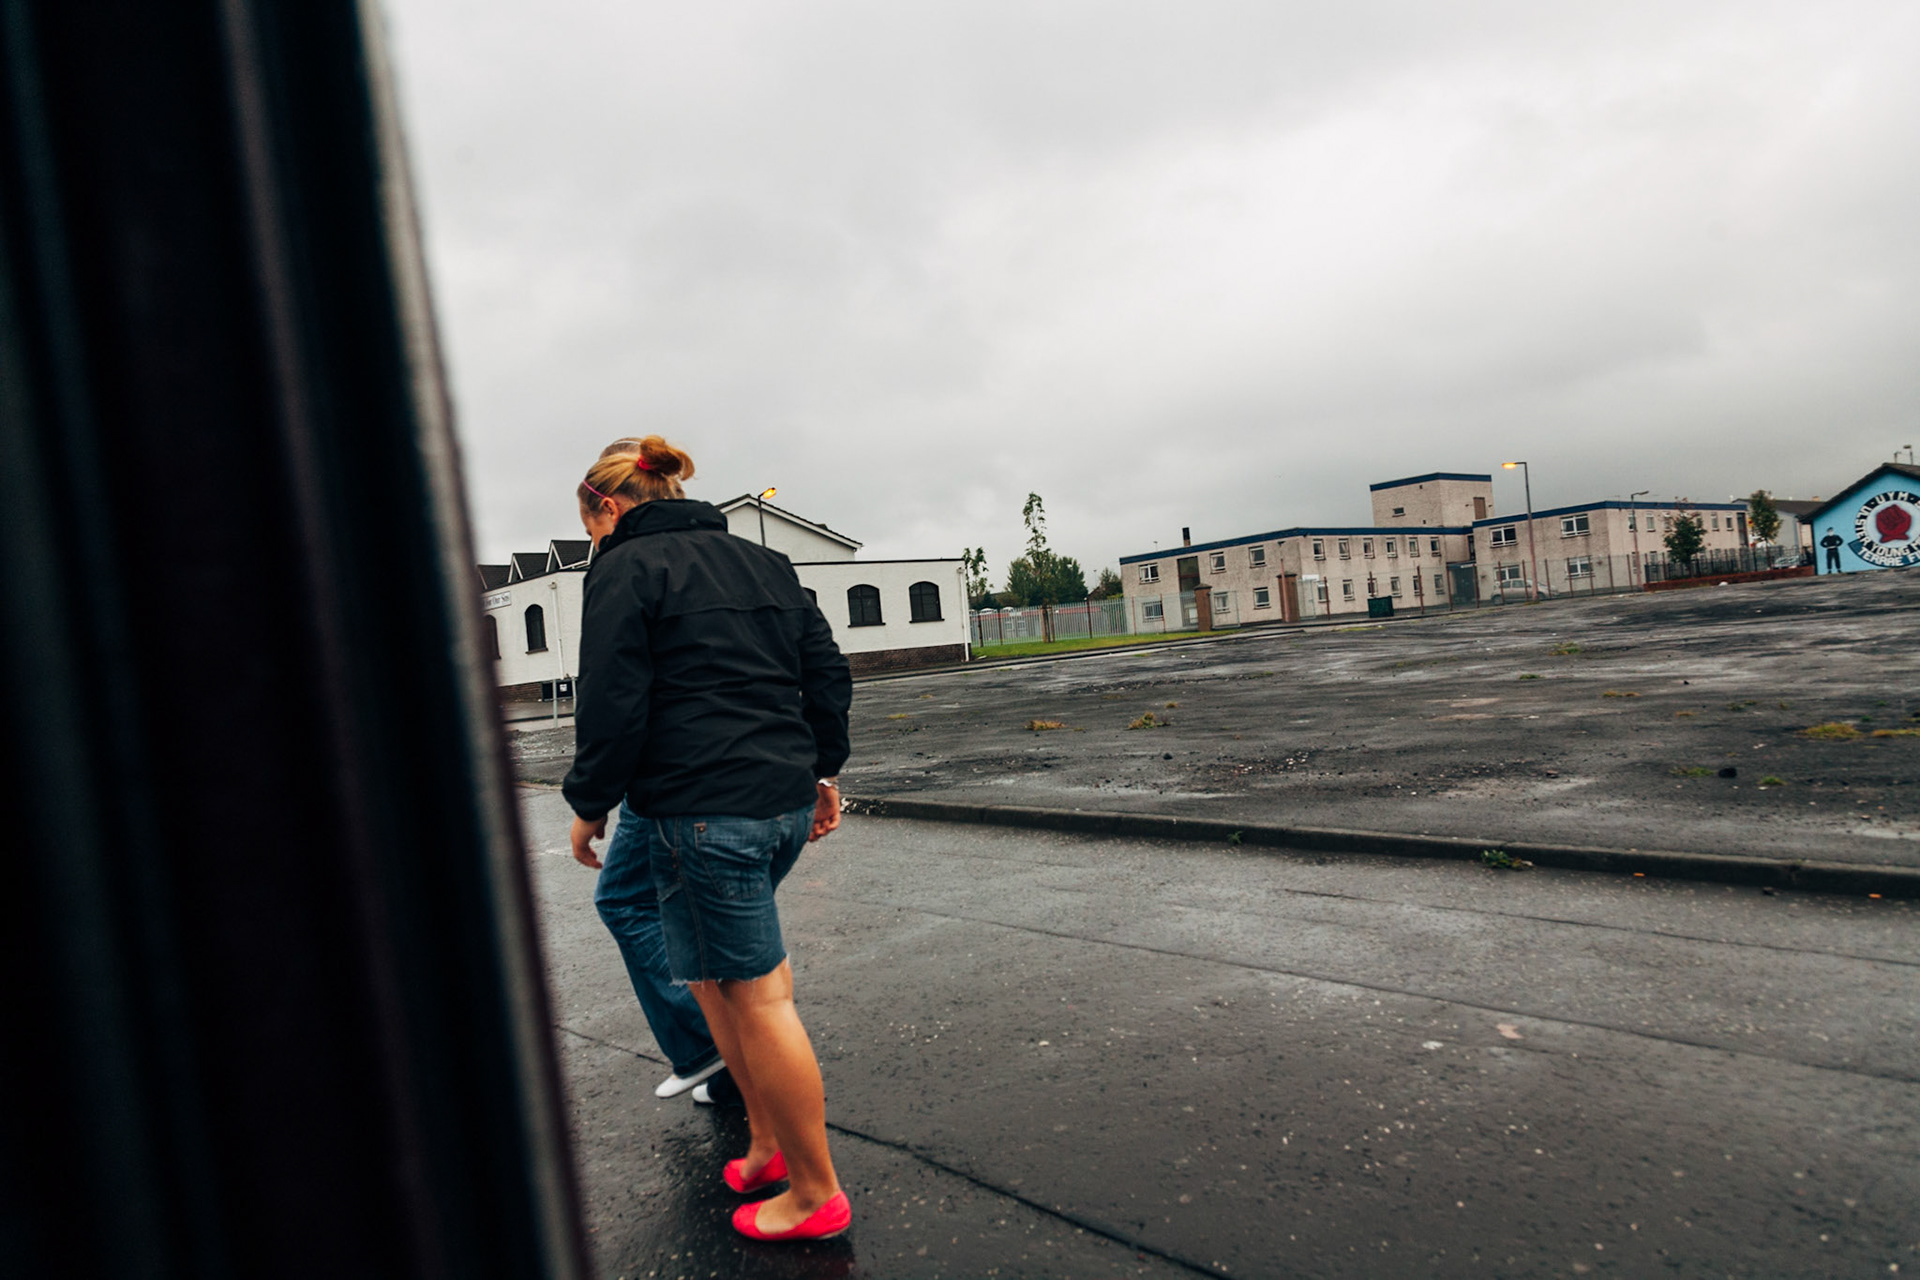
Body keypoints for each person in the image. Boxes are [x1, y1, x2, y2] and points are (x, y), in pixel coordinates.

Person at [563, 435, 854, 1243]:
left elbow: (613, 699)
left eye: (590, 527)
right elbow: (826, 675)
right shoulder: (765, 562)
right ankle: (764, 1143)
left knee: (760, 997)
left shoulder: (624, 568)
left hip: (705, 812)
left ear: (608, 506)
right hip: (775, 802)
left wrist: (589, 802)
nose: (594, 541)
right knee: (712, 979)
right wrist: (824, 769)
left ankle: (816, 1194)